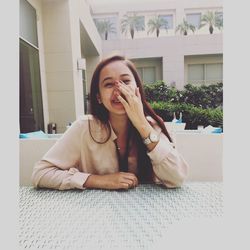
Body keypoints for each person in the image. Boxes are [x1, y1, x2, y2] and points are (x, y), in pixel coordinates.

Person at [32, 55, 189, 191]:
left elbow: (176, 178)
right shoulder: (84, 127)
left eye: (125, 81)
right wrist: (98, 180)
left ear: (137, 89)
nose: (118, 89)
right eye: (108, 84)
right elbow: (41, 174)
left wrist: (142, 124)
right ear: (99, 97)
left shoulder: (154, 127)